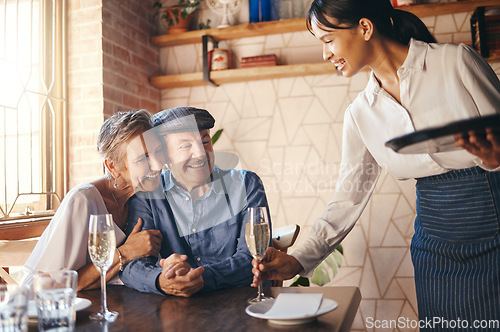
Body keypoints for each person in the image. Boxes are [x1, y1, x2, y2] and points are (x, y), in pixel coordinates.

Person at [252, 0, 500, 327]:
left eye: (328, 39)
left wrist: (495, 160)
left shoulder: (455, 62)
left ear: (365, 28)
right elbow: (348, 200)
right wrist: (298, 260)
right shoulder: (361, 114)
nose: (325, 53)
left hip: (493, 224)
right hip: (435, 247)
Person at [119, 107, 271, 297]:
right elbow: (131, 266)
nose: (201, 153)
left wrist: (201, 278)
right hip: (174, 312)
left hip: (240, 304)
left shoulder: (246, 184)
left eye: (205, 141)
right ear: (164, 156)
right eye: (185, 145)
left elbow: (253, 257)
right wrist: (161, 280)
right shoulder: (148, 195)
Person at [23, 110, 164, 291]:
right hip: (45, 309)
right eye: (143, 158)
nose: (159, 165)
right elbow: (50, 285)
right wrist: (126, 252)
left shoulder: (141, 197)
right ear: (113, 166)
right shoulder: (81, 201)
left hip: (104, 305)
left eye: (158, 151)